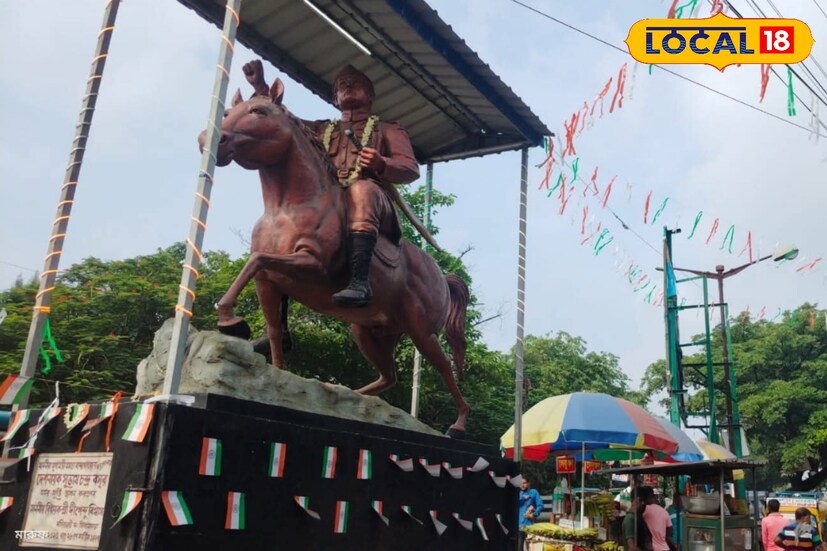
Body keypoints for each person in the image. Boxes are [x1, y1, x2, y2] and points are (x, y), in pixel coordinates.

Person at [243, 60, 420, 308]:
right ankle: (278, 326)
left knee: (361, 190)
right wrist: (261, 86)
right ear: (335, 99)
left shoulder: (387, 129)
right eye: (341, 86)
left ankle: (360, 282)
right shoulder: (321, 129)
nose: (347, 87)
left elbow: (410, 169)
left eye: (354, 84)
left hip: (372, 199)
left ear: (369, 95)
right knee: (283, 228)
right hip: (330, 200)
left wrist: (381, 163)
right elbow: (282, 120)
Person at [641, 486, 677, 551]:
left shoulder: (644, 510)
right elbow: (669, 533)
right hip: (664, 548)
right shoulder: (665, 512)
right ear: (654, 497)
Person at [519, 477, 544, 550]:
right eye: (520, 483)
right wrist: (524, 498)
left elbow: (540, 505)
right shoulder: (518, 493)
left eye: (524, 483)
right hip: (519, 526)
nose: (522, 485)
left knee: (531, 547)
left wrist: (534, 514)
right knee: (519, 547)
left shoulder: (534, 492)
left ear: (528, 483)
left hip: (530, 525)